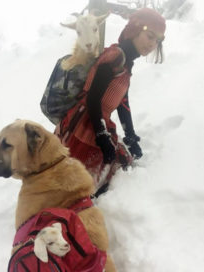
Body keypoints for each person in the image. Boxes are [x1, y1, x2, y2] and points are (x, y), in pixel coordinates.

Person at [56, 8, 166, 196]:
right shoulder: (116, 56)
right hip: (84, 126)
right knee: (76, 187)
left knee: (110, 177)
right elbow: (92, 98)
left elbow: (123, 103)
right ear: (135, 30)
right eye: (149, 36)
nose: (152, 44)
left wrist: (131, 136)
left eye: (158, 40)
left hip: (98, 124)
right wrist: (101, 135)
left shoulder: (126, 62)